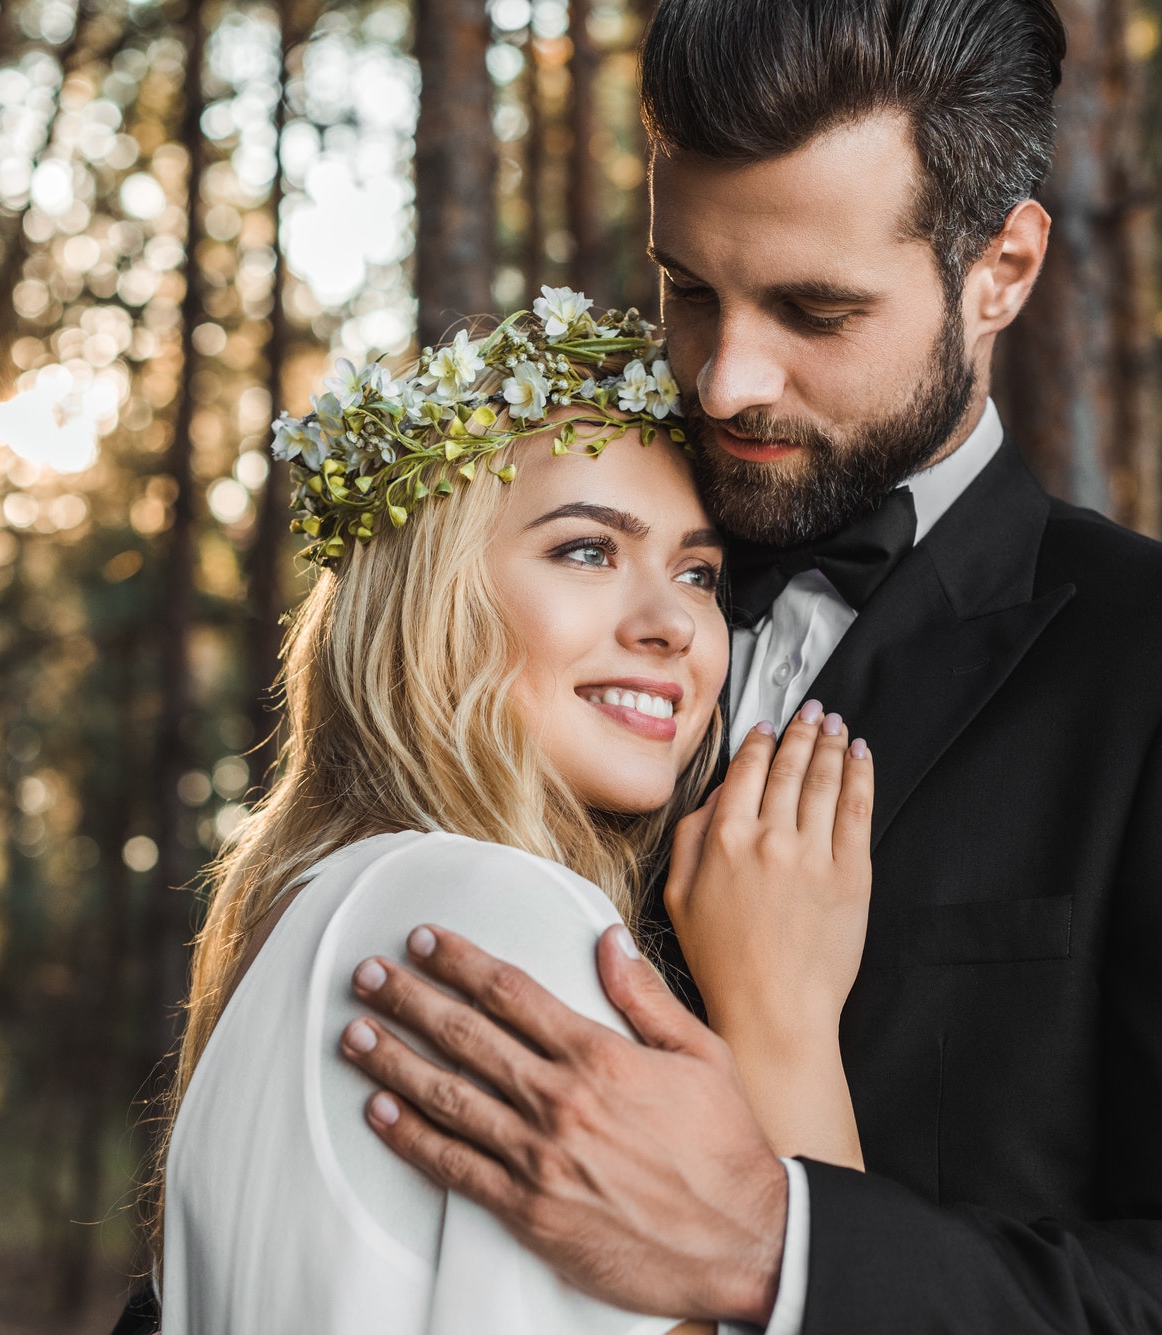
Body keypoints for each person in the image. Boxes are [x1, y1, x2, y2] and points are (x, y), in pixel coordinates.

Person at [340, 1, 1162, 1333]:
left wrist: (779, 1248)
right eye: (688, 291)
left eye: (815, 309)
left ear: (1002, 268)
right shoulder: (534, 595)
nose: (726, 379)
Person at [149, 302, 878, 1334]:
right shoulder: (495, 916)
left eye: (698, 573)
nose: (672, 624)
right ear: (433, 597)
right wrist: (785, 1025)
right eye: (586, 551)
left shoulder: (322, 907)